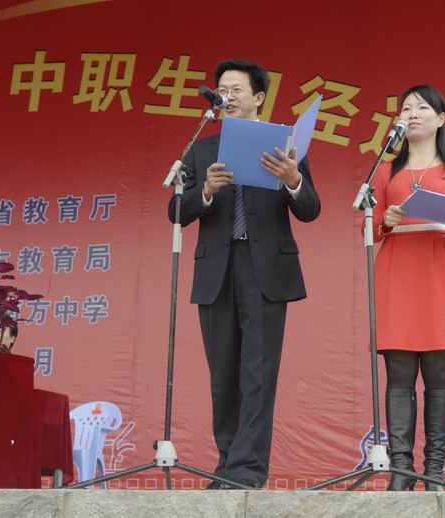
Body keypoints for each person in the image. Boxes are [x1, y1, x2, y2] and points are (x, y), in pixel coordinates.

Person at [167, 59, 320, 489]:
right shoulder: (202, 149)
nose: (227, 97)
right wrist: (205, 191)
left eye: (236, 90)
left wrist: (292, 179)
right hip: (216, 270)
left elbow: (310, 209)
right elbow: (175, 211)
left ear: (258, 97)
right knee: (223, 375)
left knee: (258, 372)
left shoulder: (285, 145)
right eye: (222, 90)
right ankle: (226, 467)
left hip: (265, 269)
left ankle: (247, 471)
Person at [369, 84, 445, 491]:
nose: (412, 114)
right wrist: (386, 220)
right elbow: (370, 225)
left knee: (439, 372)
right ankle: (402, 470)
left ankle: (434, 471)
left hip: (440, 269)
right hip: (397, 269)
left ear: (441, 118)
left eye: (421, 108)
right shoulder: (385, 168)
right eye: (406, 108)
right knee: (399, 373)